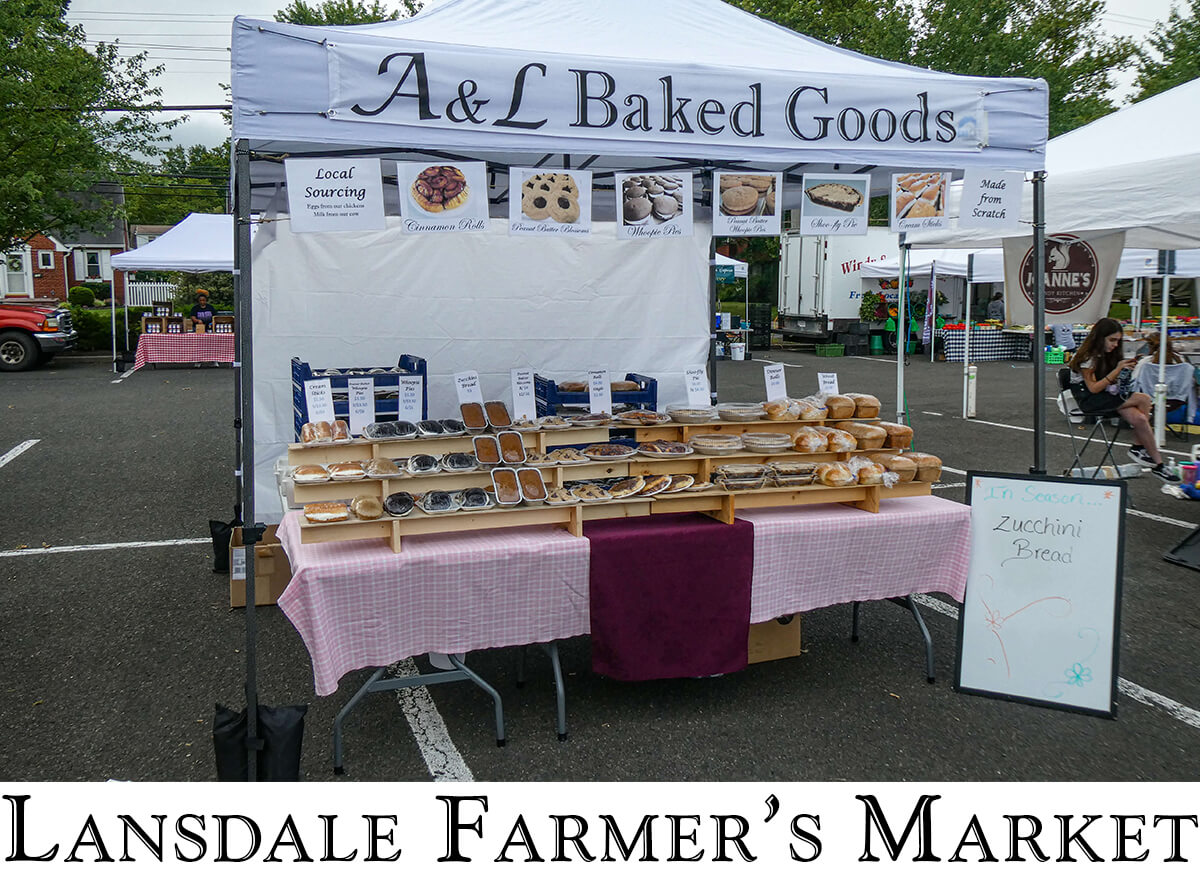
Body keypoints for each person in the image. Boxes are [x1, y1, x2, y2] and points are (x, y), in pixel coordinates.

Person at [1068, 317, 1179, 481]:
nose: (1115, 345)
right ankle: (1143, 451)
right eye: (1112, 340)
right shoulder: (1087, 357)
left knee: (1140, 418)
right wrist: (1118, 369)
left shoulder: (1106, 354)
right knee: (1144, 399)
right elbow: (1093, 388)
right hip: (1091, 400)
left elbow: (1108, 384)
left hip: (1106, 396)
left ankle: (1155, 462)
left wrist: (1124, 370)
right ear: (1100, 338)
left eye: (1118, 341)